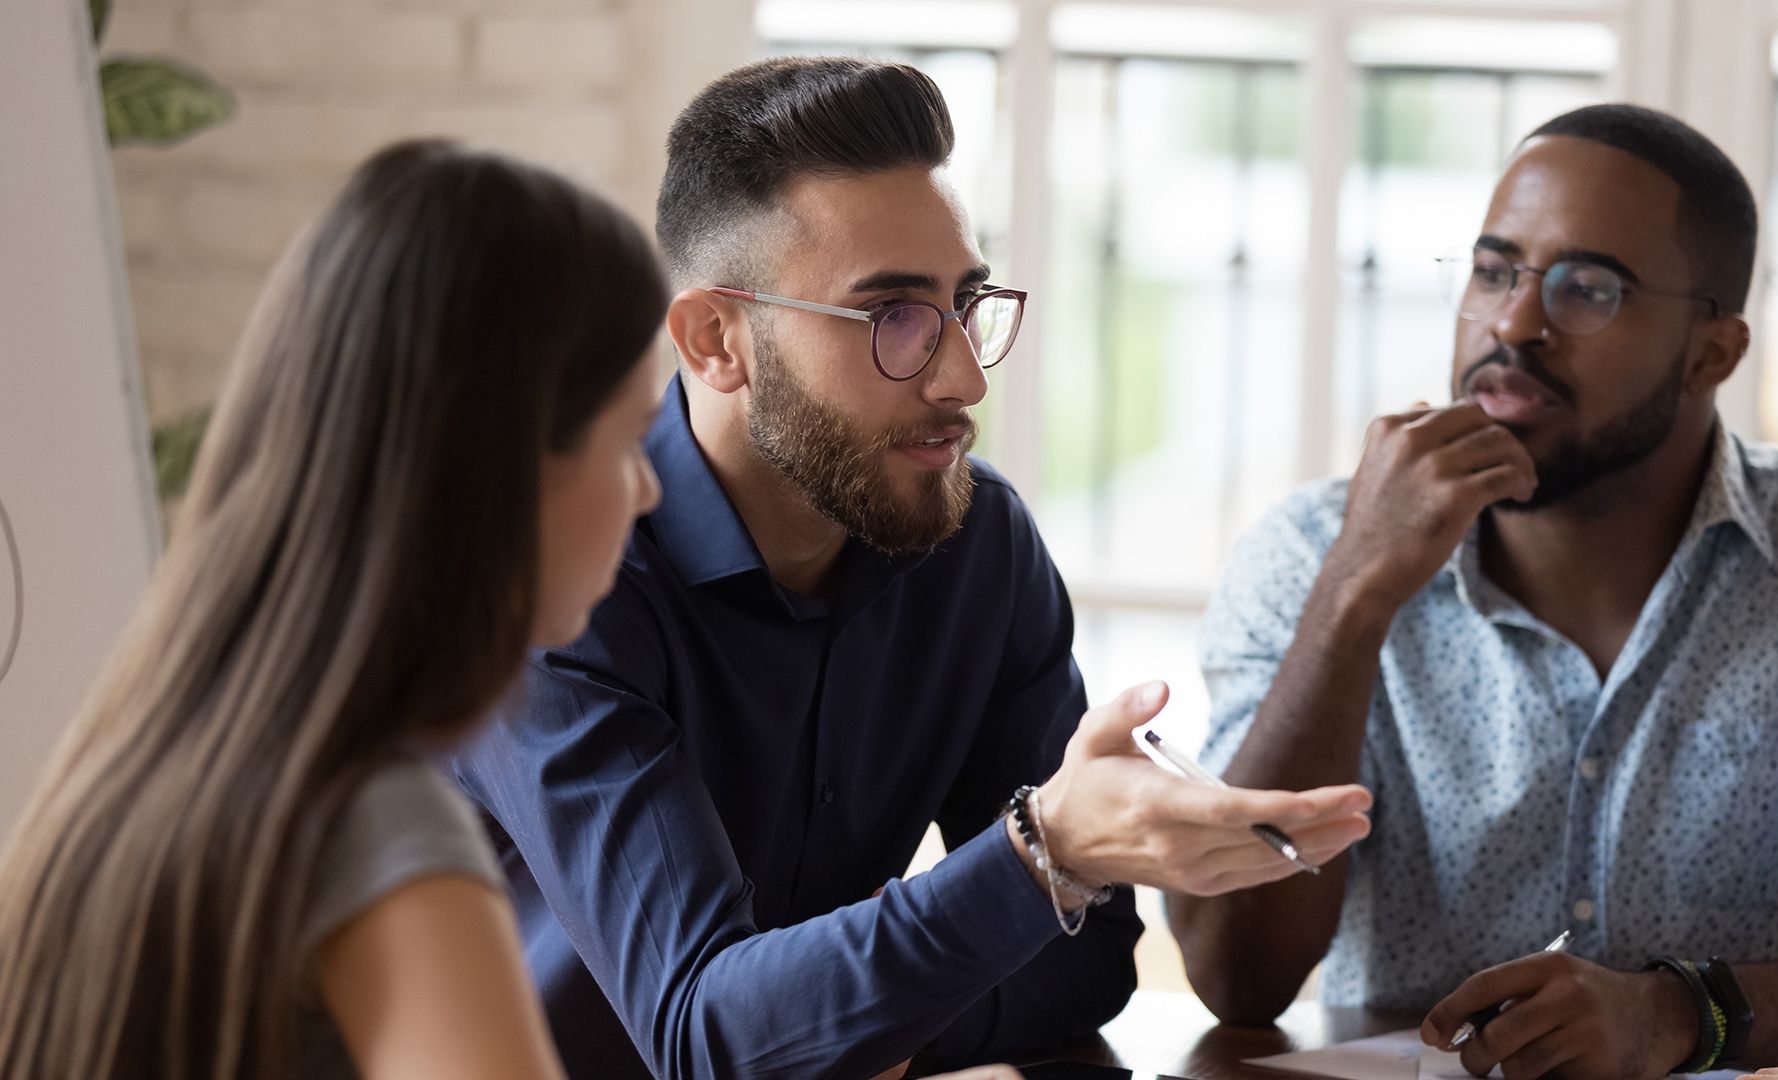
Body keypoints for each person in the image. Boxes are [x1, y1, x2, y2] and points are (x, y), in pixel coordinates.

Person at [445, 55, 1374, 1080]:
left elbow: (1085, 965)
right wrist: (1042, 856)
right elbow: (704, 1037)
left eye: (965, 305)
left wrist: (843, 1027)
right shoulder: (561, 579)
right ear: (717, 339)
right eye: (893, 316)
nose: (964, 376)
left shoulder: (977, 544)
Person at [1167, 103, 1778, 1079]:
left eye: (1588, 288)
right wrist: (1355, 594)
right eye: (1494, 272)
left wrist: (1680, 1013)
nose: (1514, 323)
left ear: (1713, 353)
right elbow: (1235, 977)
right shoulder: (1314, 551)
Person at [0, 139, 665, 1079]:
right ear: (504, 468)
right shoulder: (378, 825)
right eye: (632, 440)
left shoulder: (132, 763)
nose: (649, 490)